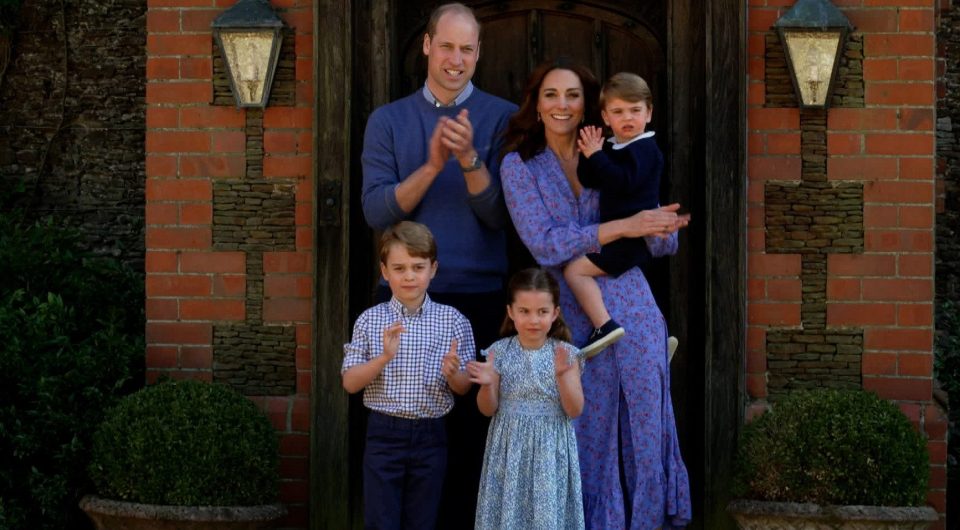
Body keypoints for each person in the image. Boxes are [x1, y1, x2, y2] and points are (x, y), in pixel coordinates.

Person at [498, 58, 693, 529]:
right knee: (585, 429)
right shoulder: (519, 165)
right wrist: (625, 226)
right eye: (551, 95)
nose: (562, 105)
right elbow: (545, 242)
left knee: (647, 423)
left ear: (590, 106)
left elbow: (661, 239)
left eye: (572, 95)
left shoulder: (616, 149)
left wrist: (659, 227)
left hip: (633, 302)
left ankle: (648, 521)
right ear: (536, 105)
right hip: (568, 312)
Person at [359, 3, 517, 526]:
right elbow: (376, 210)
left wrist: (470, 160)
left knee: (472, 438)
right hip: (405, 298)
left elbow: (501, 217)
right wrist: (431, 166)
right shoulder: (389, 120)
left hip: (480, 298)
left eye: (466, 49)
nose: (455, 59)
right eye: (445, 46)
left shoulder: (504, 118)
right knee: (405, 435)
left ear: (478, 53)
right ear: (426, 45)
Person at [341, 221, 474, 530]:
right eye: (399, 268)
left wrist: (454, 374)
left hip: (431, 435)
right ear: (385, 272)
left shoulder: (453, 321)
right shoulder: (370, 320)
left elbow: (464, 387)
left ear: (433, 269)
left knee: (423, 520)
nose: (410, 276)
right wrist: (384, 358)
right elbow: (349, 383)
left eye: (418, 267)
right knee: (381, 520)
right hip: (384, 434)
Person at [467, 268, 585, 530]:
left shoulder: (566, 354)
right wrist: (487, 386)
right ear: (511, 312)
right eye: (524, 311)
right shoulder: (499, 352)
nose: (534, 320)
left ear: (555, 313)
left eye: (542, 312)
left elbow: (575, 409)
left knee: (546, 515)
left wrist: (564, 377)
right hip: (509, 449)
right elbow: (488, 409)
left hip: (550, 449)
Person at [566, 72, 663, 358]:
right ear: (606, 118)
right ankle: (650, 340)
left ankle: (604, 325)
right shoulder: (614, 146)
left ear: (649, 113)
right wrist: (589, 153)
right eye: (618, 112)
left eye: (635, 110)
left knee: (575, 270)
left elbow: (623, 182)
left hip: (630, 240)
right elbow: (590, 178)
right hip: (617, 235)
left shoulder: (645, 149)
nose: (628, 118)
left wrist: (598, 156)